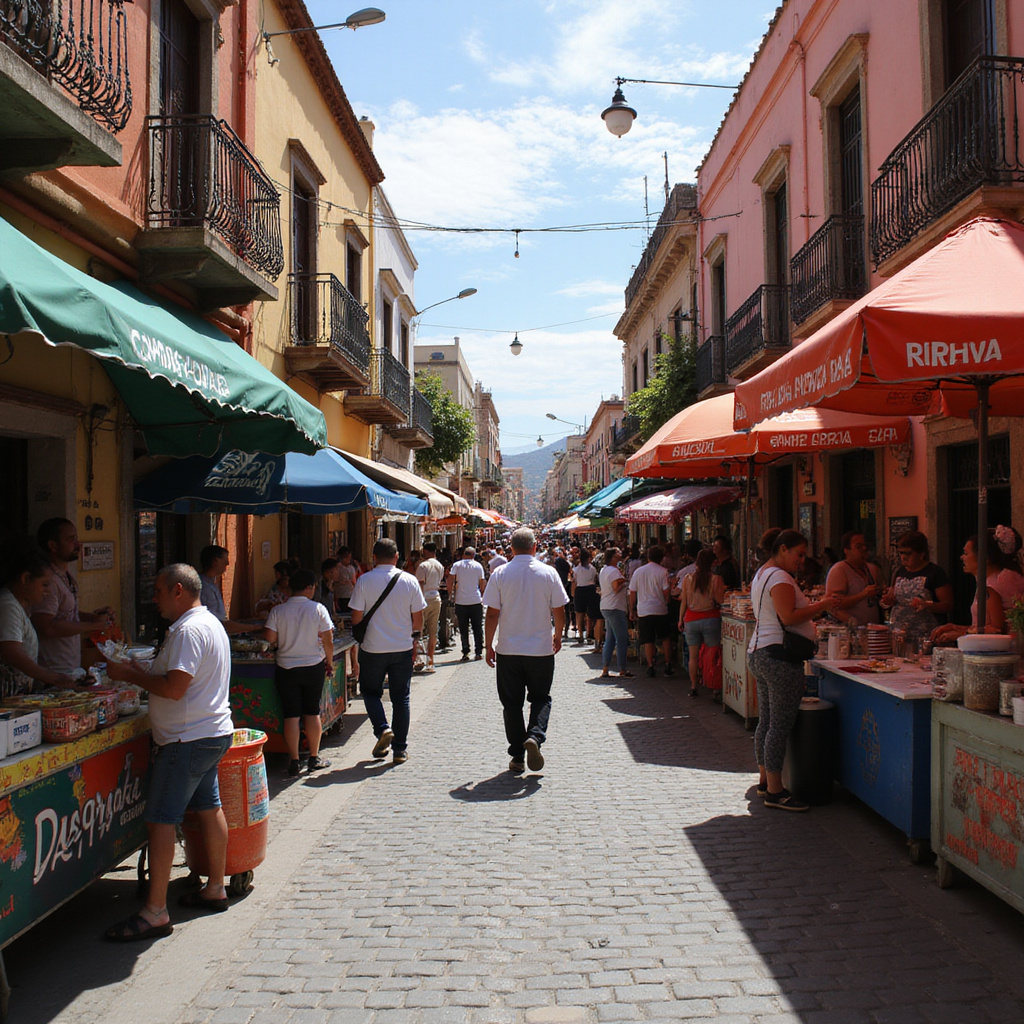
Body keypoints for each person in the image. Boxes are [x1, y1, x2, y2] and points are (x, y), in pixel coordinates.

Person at [104, 564, 234, 939]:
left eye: (159, 591)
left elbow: (175, 688)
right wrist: (141, 671)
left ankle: (155, 911)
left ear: (178, 590)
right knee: (209, 807)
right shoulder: (207, 623)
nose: (154, 598)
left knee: (161, 820)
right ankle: (215, 887)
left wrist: (129, 675)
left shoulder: (189, 630)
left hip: (186, 739)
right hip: (208, 733)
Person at [748, 530, 839, 812]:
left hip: (761, 653)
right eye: (799, 554)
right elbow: (788, 617)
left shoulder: (762, 574)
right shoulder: (779, 577)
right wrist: (822, 606)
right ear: (783, 549)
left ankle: (765, 780)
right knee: (779, 724)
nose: (801, 560)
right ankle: (776, 790)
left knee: (767, 722)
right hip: (779, 657)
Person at [483, 528, 566, 773]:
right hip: (540, 649)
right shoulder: (548, 572)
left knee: (511, 704)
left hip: (508, 650)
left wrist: (488, 644)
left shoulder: (500, 573)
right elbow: (559, 609)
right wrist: (558, 635)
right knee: (541, 698)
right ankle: (535, 736)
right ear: (535, 547)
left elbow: (492, 613)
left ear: (511, 548)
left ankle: (518, 756)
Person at [349, 539, 426, 764]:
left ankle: (382, 728)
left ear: (374, 557)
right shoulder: (410, 580)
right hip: (402, 647)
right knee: (401, 698)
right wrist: (415, 640)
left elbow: (356, 617)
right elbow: (418, 617)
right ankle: (400, 750)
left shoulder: (364, 580)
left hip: (372, 648)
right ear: (396, 556)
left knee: (370, 692)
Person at [263, 569, 335, 777]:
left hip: (286, 667)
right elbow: (328, 639)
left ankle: (294, 760)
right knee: (312, 712)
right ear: (310, 587)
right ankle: (313, 757)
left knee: (291, 715)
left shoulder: (278, 611)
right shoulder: (318, 609)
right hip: (313, 665)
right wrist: (329, 662)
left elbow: (269, 638)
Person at [31, 518, 114, 675]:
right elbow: (47, 626)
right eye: (70, 539)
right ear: (53, 545)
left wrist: (94, 618)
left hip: (71, 667)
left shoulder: (66, 576)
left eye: (76, 538)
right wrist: (92, 626)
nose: (77, 544)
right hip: (52, 671)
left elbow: (67, 614)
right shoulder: (48, 582)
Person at [1, 542, 75, 696]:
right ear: (25, 578)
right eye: (45, 584)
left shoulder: (21, 607)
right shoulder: (8, 606)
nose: (47, 591)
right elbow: (11, 652)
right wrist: (51, 677)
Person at [932, 525, 1024, 643]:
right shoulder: (998, 579)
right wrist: (955, 627)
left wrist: (960, 634)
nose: (962, 557)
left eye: (966, 553)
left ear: (984, 558)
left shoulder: (994, 586)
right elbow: (983, 626)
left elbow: (996, 630)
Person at [880, 530, 952, 640]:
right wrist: (888, 601)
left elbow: (948, 604)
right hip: (899, 633)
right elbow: (893, 598)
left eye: (908, 553)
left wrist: (927, 605)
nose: (903, 557)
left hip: (925, 634)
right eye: (901, 553)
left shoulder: (935, 573)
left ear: (921, 554)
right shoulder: (899, 572)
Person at [680, 548, 727, 698]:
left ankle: (693, 686)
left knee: (693, 656)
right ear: (712, 563)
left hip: (691, 619)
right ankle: (714, 687)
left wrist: (680, 619)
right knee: (712, 654)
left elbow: (684, 602)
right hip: (710, 618)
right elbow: (721, 600)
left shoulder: (687, 579)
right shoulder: (715, 579)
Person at [628, 545, 673, 678]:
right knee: (665, 638)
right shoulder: (663, 572)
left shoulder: (638, 572)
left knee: (648, 640)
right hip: (660, 609)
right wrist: (667, 599)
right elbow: (666, 592)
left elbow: (632, 592)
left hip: (644, 610)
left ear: (648, 557)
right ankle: (668, 664)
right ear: (661, 558)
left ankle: (650, 666)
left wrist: (632, 609)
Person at [825, 531, 883, 627]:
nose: (864, 549)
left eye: (865, 546)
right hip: (850, 630)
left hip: (873, 629)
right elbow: (833, 604)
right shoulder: (839, 570)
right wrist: (863, 594)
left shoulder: (873, 569)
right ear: (847, 550)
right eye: (858, 547)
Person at [198, 545, 251, 634]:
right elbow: (220, 622)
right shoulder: (204, 587)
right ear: (215, 561)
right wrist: (255, 627)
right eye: (225, 560)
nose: (227, 563)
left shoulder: (212, 583)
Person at [598, 547, 631, 679]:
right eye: (618, 552)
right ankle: (622, 669)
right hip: (615, 607)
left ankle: (605, 668)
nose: (620, 553)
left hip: (606, 605)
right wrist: (625, 582)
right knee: (622, 638)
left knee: (610, 638)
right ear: (613, 556)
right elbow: (616, 588)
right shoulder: (613, 571)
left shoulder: (604, 570)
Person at [450, 545, 486, 661]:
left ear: (463, 554)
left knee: (463, 628)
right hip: (475, 600)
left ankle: (465, 652)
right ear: (473, 555)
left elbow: (451, 579)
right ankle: (478, 652)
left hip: (461, 601)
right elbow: (482, 582)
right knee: (477, 627)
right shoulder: (478, 566)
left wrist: (451, 593)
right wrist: (482, 594)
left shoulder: (457, 565)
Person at [415, 542, 445, 673]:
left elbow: (420, 584)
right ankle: (430, 661)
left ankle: (419, 659)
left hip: (424, 598)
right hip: (436, 597)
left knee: (418, 630)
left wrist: (418, 602)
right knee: (433, 631)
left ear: (426, 551)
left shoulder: (423, 566)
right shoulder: (440, 566)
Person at [570, 548, 599, 646]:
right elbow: (595, 579)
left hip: (580, 590)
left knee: (579, 613)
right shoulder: (593, 569)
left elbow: (574, 582)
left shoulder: (576, 569)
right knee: (590, 614)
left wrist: (573, 595)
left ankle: (581, 634)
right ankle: (588, 634)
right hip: (591, 590)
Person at [552, 547, 573, 638]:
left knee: (557, 611)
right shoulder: (566, 568)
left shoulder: (555, 575)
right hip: (567, 588)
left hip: (559, 590)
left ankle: (559, 631)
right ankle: (565, 631)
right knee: (567, 611)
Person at [333, 547, 359, 614]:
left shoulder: (338, 567)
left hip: (343, 594)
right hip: (344, 594)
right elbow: (354, 581)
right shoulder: (347, 568)